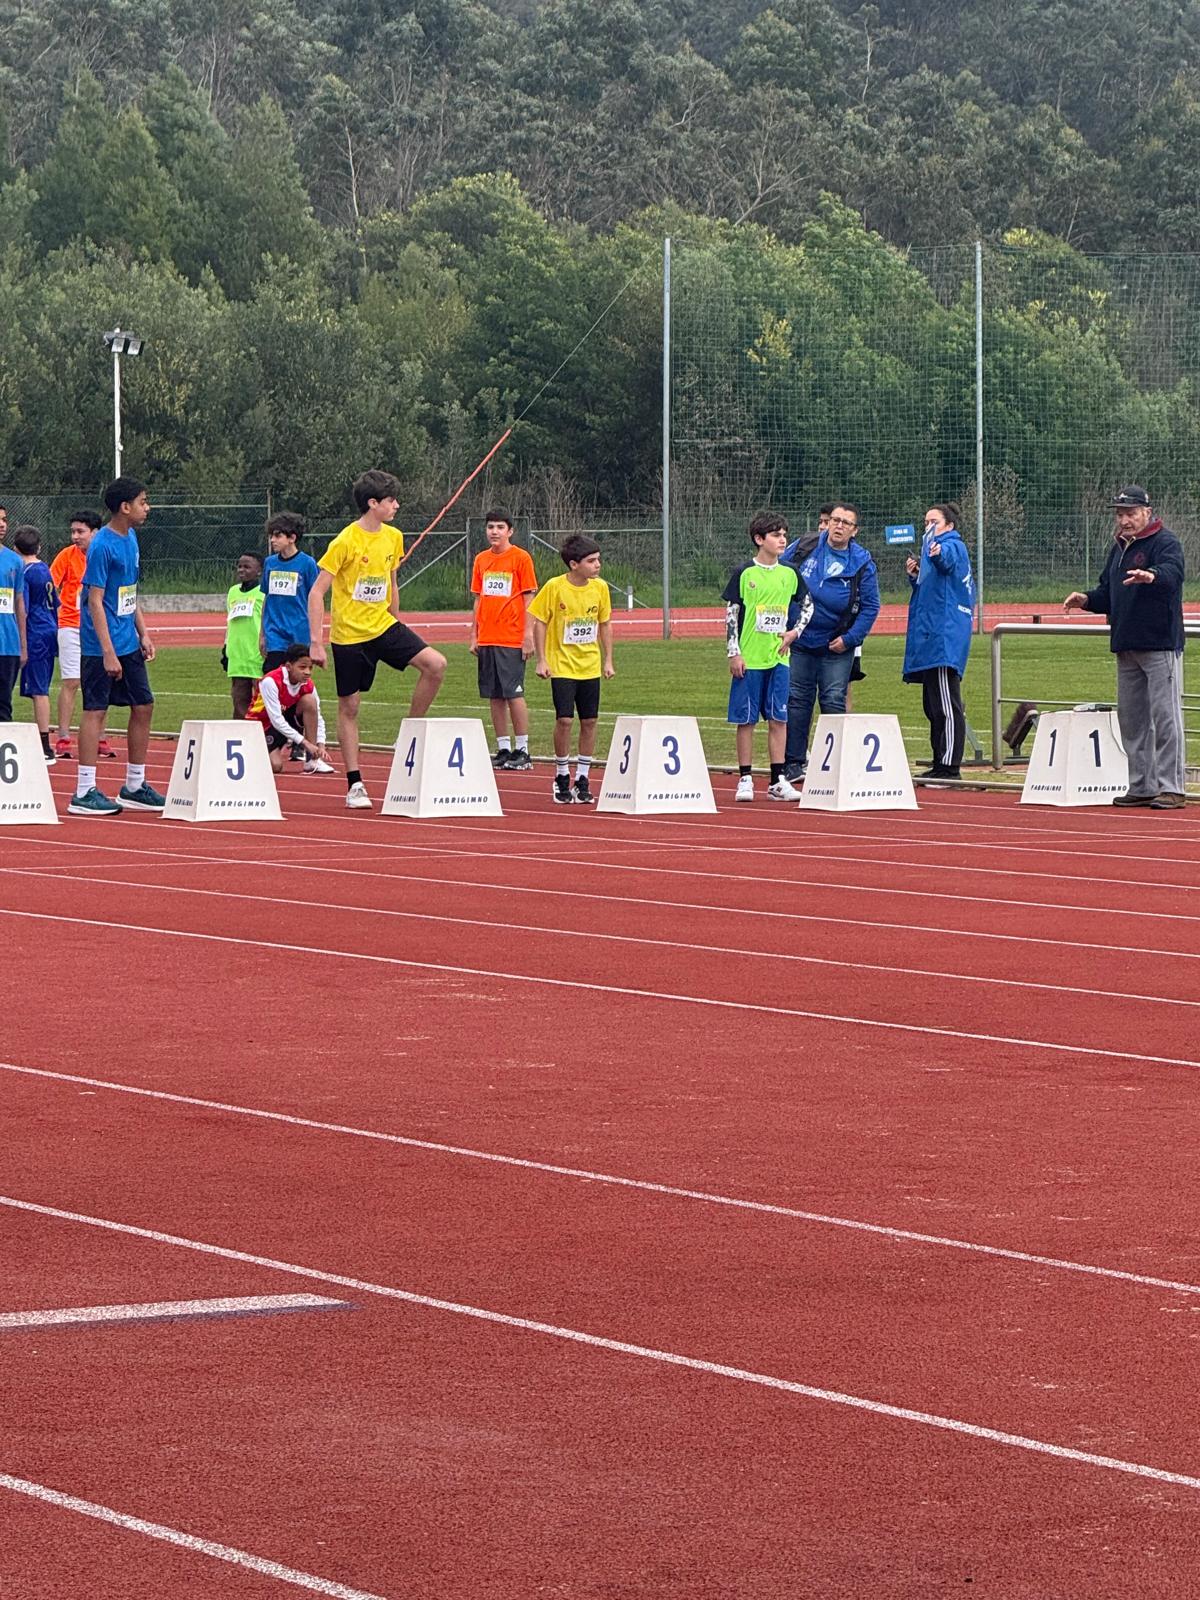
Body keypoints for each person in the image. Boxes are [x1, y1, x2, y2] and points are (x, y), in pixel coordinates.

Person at [307, 469, 447, 811]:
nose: (397, 505)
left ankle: (408, 733)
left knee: (436, 665)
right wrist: (316, 642)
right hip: (349, 635)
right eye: (391, 500)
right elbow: (317, 592)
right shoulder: (345, 541)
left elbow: (391, 581)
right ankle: (355, 784)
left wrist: (397, 621)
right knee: (350, 707)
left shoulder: (394, 537)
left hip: (384, 625)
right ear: (373, 503)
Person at [1064, 485, 1187, 809]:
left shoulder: (1165, 542)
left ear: (1147, 512)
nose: (1124, 520)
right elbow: (1108, 592)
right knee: (1132, 721)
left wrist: (1152, 575)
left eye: (1130, 513)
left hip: (1159, 644)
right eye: (1120, 514)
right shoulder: (1118, 548)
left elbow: (1173, 574)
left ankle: (1172, 788)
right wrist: (1086, 599)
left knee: (1166, 718)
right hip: (1126, 646)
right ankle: (1142, 786)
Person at [68, 476, 166, 817]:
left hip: (128, 640)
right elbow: (94, 601)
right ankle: (84, 791)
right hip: (101, 646)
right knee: (95, 709)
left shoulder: (132, 537)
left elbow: (129, 591)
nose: (147, 507)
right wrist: (107, 651)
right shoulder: (102, 546)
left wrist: (143, 632)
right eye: (143, 502)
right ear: (125, 507)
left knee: (144, 704)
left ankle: (135, 785)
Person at [783, 502, 880, 782]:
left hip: (836, 644)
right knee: (797, 700)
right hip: (800, 639)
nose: (838, 526)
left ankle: (834, 766)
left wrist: (850, 639)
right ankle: (794, 763)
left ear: (854, 530)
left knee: (833, 699)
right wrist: (788, 625)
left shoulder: (862, 562)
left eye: (845, 523)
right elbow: (782, 574)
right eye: (835, 520)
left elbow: (871, 606)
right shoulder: (806, 546)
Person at [723, 511, 811, 802]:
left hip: (779, 659)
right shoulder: (745, 573)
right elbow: (732, 614)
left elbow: (808, 605)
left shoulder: (790, 573)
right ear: (759, 539)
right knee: (746, 720)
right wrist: (734, 652)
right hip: (750, 658)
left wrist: (794, 632)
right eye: (775, 535)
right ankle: (745, 777)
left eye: (784, 534)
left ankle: (777, 780)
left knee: (778, 718)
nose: (782, 539)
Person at [529, 533, 614, 804]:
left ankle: (583, 777)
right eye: (591, 561)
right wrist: (542, 659)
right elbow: (540, 622)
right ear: (574, 564)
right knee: (564, 720)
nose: (597, 565)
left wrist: (608, 660)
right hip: (562, 664)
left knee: (590, 721)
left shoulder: (600, 588)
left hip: (589, 665)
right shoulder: (555, 587)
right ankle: (562, 774)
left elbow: (604, 624)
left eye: (598, 559)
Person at [903, 501, 975, 780]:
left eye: (934, 522)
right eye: (925, 522)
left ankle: (950, 766)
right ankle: (939, 761)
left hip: (944, 635)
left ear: (949, 526)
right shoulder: (930, 548)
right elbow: (932, 588)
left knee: (946, 703)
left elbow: (947, 561)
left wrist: (936, 554)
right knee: (933, 705)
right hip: (932, 634)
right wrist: (916, 576)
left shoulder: (952, 545)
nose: (928, 527)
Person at [469, 510, 538, 769]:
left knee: (513, 693)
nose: (494, 532)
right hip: (488, 637)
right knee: (494, 695)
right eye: (490, 527)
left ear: (510, 531)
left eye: (500, 527)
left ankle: (523, 749)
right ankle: (503, 747)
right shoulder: (481, 560)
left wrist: (527, 635)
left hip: (511, 637)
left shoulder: (520, 558)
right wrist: (474, 634)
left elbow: (529, 598)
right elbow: (478, 599)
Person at [50, 510, 115, 760]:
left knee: (100, 682)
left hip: (98, 628)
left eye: (81, 532)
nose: (75, 537)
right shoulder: (67, 556)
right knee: (71, 681)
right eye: (73, 532)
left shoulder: (104, 554)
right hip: (70, 625)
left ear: (95, 533)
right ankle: (64, 737)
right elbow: (50, 586)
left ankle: (100, 737)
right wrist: (59, 610)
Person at [246, 643, 334, 774]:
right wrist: (305, 743)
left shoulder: (307, 684)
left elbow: (318, 715)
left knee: (310, 701)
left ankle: (312, 760)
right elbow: (276, 720)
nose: (307, 672)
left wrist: (320, 744)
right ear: (288, 666)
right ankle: (252, 752)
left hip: (284, 721)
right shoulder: (271, 681)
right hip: (262, 726)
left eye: (310, 668)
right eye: (302, 667)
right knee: (275, 766)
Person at [14, 527, 58, 762]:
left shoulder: (26, 573)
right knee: (39, 687)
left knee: (39, 690)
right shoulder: (44, 569)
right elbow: (54, 603)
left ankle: (44, 747)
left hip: (35, 634)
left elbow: (24, 608)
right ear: (39, 547)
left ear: (15, 549)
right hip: (49, 630)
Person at [260, 512, 320, 671]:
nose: (272, 540)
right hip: (275, 634)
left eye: (277, 536)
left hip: (299, 633)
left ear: (292, 538)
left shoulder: (307, 564)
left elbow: (315, 599)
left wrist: (316, 638)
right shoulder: (270, 563)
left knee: (297, 678)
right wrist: (262, 634)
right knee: (271, 677)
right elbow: (266, 598)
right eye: (271, 536)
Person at [222, 553, 264, 719]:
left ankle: (264, 733)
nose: (241, 570)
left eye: (247, 567)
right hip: (237, 657)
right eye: (239, 566)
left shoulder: (263, 593)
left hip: (257, 656)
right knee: (239, 702)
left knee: (262, 704)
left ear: (259, 571)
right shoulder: (233, 592)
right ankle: (240, 732)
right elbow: (230, 622)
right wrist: (226, 647)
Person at [0, 514, 26, 724]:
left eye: (4, 519)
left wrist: (23, 646)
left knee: (3, 706)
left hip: (7, 645)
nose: (2, 524)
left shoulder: (15, 561)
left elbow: (19, 603)